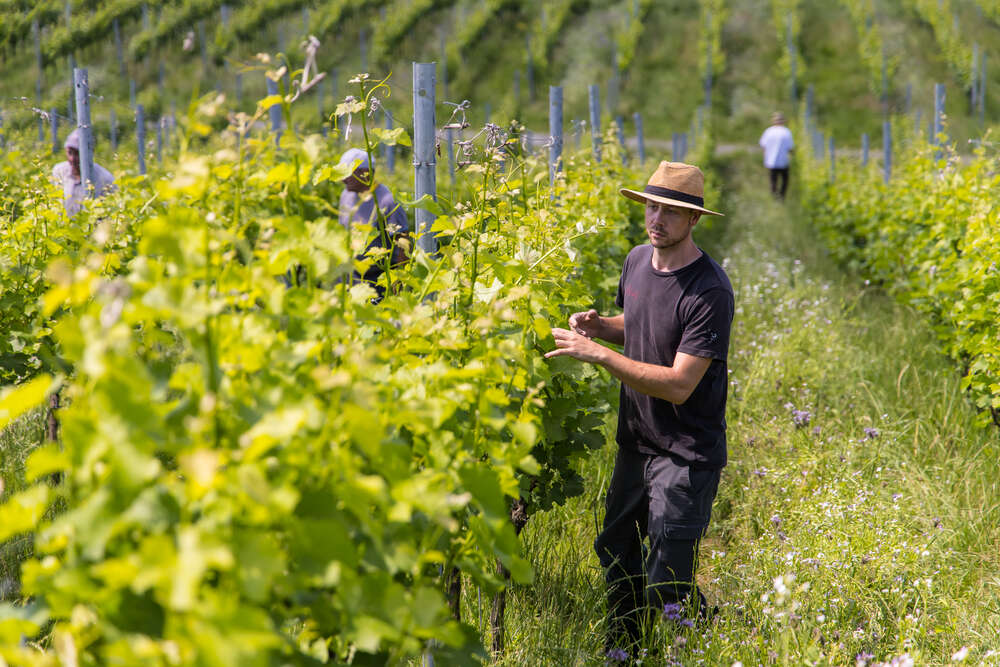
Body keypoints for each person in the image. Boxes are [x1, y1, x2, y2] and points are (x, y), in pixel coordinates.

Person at [545, 161, 734, 656]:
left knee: (666, 581)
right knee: (616, 552)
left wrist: (600, 356)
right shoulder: (636, 260)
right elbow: (639, 321)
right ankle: (623, 648)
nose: (657, 219)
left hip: (685, 451)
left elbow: (678, 385)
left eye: (670, 212)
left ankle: (712, 636)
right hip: (637, 442)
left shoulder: (709, 290)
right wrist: (600, 327)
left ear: (694, 220)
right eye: (652, 207)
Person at [337, 147, 411, 298]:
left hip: (378, 279)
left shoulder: (386, 201)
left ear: (366, 173)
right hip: (351, 274)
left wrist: (398, 282)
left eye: (347, 174)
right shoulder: (346, 195)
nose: (343, 179)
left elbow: (401, 240)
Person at [51, 128, 116, 216]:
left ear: (90, 153)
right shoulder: (59, 172)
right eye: (69, 153)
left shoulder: (105, 179)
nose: (72, 159)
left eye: (78, 154)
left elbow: (111, 213)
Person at [758, 111, 794, 200]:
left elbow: (763, 146)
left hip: (771, 161)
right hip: (783, 161)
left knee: (773, 181)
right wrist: (793, 155)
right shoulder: (786, 132)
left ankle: (774, 198)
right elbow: (790, 148)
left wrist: (765, 157)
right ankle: (782, 197)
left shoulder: (768, 131)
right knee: (785, 180)